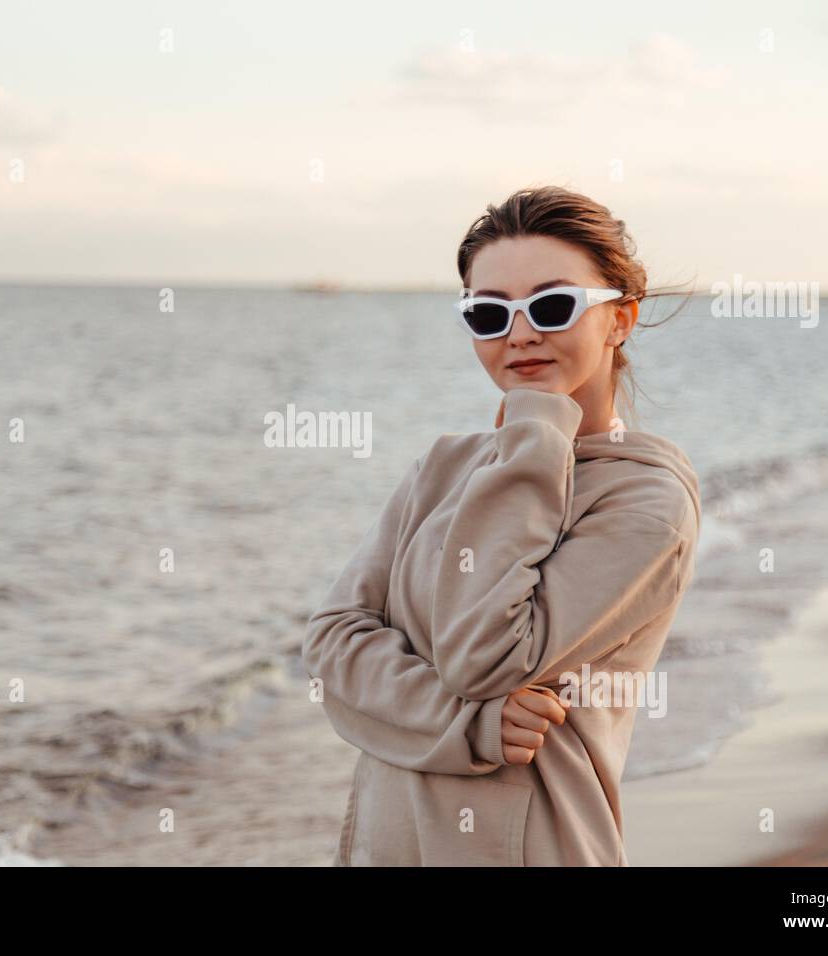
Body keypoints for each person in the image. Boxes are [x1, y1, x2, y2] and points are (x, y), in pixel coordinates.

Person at [301, 185, 701, 866]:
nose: (519, 334)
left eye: (552, 306)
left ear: (620, 319)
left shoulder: (647, 501)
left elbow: (483, 654)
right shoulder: (444, 466)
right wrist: (475, 723)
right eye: (489, 314)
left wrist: (537, 427)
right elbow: (333, 642)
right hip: (387, 840)